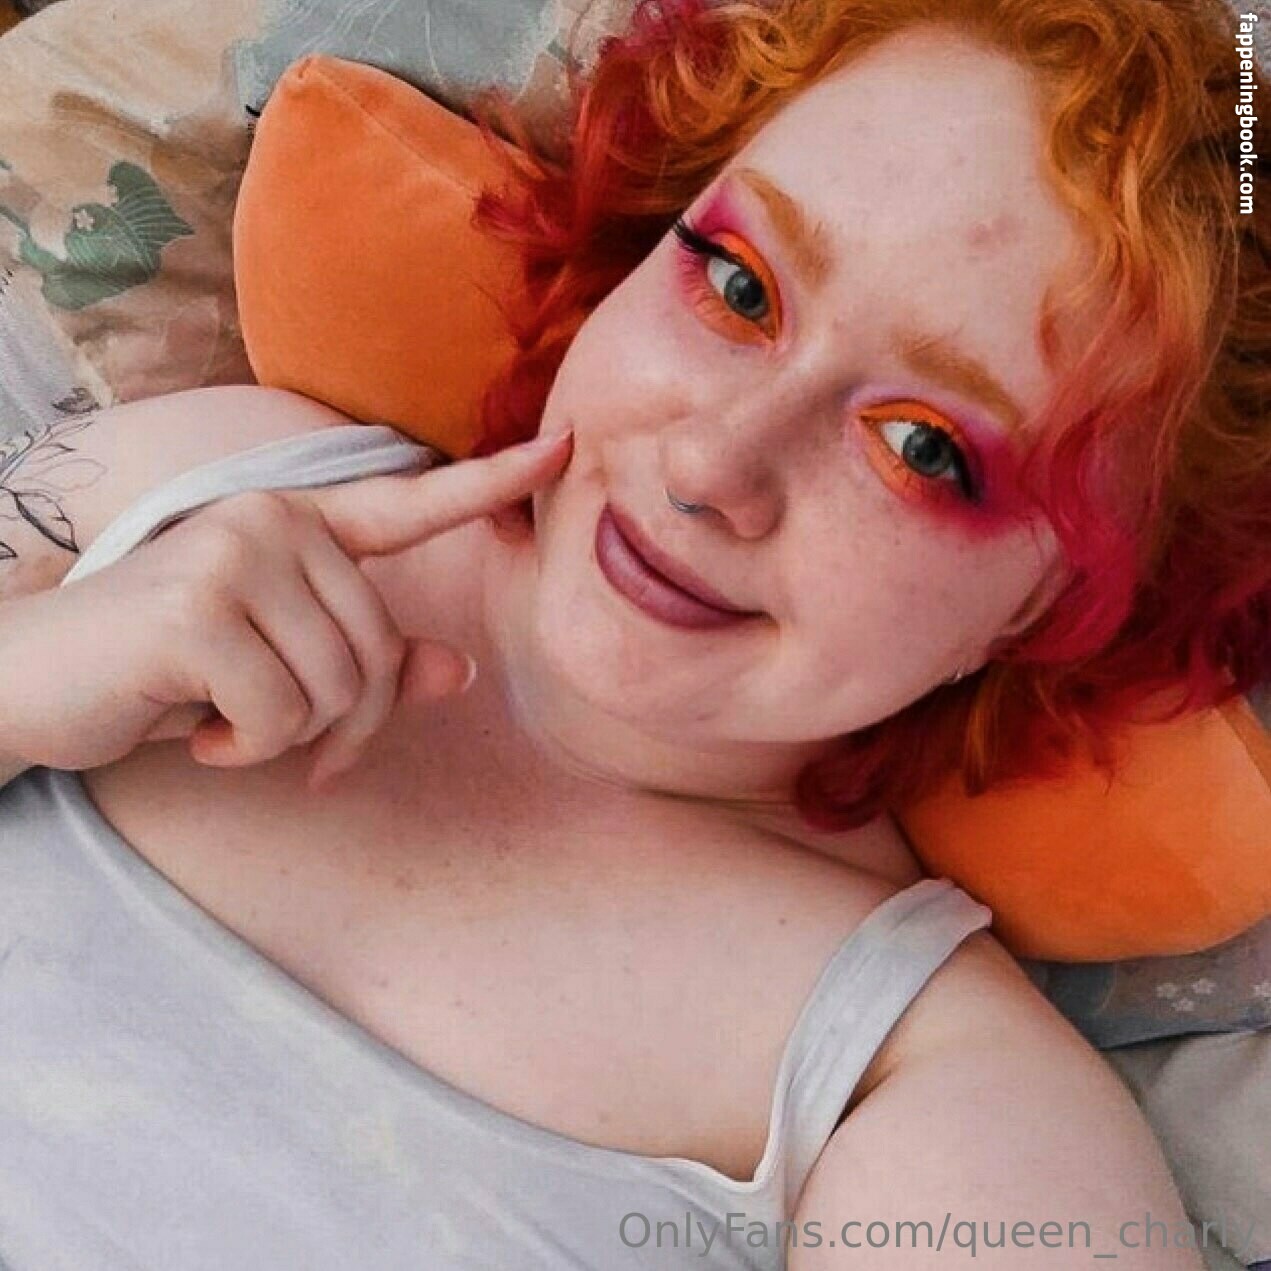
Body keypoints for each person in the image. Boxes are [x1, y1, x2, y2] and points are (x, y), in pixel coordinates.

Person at [0, 0, 1266, 1265]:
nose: (713, 463)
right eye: (737, 284)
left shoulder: (934, 1095)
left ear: (1057, 608)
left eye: (923, 448)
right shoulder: (201, 480)